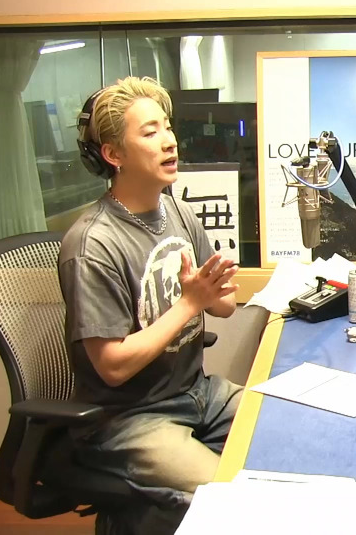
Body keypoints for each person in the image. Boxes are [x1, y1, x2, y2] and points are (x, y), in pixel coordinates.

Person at [58, 76, 242, 528]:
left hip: (197, 393)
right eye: (150, 131)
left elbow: (224, 307)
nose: (169, 140)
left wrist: (215, 291)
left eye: (167, 126)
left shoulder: (177, 210)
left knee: (290, 431)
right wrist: (189, 304)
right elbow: (112, 366)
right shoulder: (93, 245)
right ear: (113, 154)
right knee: (233, 500)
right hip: (128, 419)